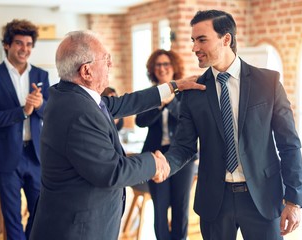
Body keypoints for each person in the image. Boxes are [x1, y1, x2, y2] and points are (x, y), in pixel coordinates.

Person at [29, 30, 205, 240]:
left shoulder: (71, 94)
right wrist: (154, 162)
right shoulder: (79, 112)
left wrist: (175, 86)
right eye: (106, 59)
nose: (110, 65)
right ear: (86, 71)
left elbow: (123, 103)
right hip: (77, 230)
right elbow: (112, 171)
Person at [159, 10, 302, 240]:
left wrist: (294, 200)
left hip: (263, 198)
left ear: (226, 39)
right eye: (193, 40)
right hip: (215, 201)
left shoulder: (269, 82)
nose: (194, 48)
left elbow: (289, 144)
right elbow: (184, 147)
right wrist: (162, 164)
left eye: (202, 39)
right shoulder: (193, 92)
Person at [0, 19, 50, 239]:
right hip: (6, 156)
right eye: (19, 43)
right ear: (7, 45)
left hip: (36, 155)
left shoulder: (41, 76)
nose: (25, 49)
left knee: (40, 212)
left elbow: (51, 112)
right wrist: (23, 111)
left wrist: (40, 106)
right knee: (11, 216)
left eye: (29, 44)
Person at [136, 49, 196, 240]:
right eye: (158, 65)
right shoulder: (149, 94)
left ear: (174, 68)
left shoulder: (184, 93)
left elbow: (187, 119)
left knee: (181, 206)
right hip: (154, 156)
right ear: (153, 70)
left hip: (182, 156)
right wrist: (160, 102)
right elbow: (140, 121)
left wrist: (171, 98)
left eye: (166, 64)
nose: (162, 68)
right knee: (160, 207)